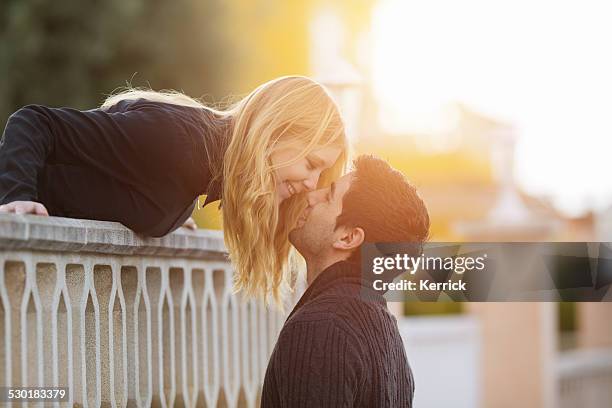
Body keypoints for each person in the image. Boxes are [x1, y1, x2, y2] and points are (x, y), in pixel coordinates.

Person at [0, 76, 348, 301]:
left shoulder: (201, 170)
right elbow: (35, 123)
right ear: (273, 132)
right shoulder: (176, 140)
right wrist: (18, 198)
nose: (312, 184)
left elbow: (119, 188)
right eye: (311, 164)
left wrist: (173, 214)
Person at [261, 155, 430, 408]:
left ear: (348, 237)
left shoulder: (321, 327)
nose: (310, 196)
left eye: (328, 196)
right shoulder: (387, 331)